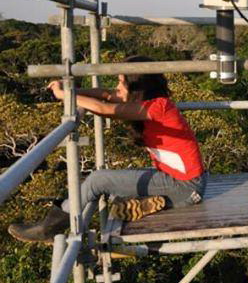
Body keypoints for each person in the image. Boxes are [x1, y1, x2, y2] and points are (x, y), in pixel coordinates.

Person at [8, 56, 207, 242]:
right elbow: (107, 95)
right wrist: (72, 91)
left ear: (137, 87)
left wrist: (64, 95)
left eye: (121, 82)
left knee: (98, 180)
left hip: (186, 187)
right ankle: (147, 202)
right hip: (178, 181)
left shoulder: (159, 107)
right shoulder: (149, 102)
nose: (117, 87)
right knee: (113, 185)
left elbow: (106, 109)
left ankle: (48, 229)